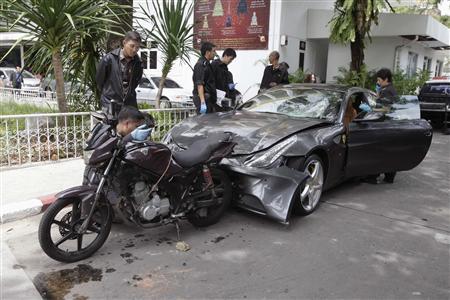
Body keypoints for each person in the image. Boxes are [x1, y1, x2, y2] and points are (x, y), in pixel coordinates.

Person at [363, 68, 398, 184]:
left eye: (379, 80)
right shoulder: (389, 89)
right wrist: (378, 93)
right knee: (388, 151)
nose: (377, 82)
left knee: (378, 151)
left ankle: (373, 176)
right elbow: (381, 101)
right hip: (390, 124)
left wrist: (371, 109)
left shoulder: (387, 91)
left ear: (386, 79)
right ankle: (389, 176)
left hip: (384, 124)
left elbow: (385, 108)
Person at [96, 31, 143, 115]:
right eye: (132, 46)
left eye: (137, 47)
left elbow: (135, 82)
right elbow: (100, 81)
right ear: (124, 43)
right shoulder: (109, 59)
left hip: (129, 105)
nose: (134, 50)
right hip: (110, 104)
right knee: (111, 127)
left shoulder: (138, 63)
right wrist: (110, 93)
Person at [192, 41, 217, 114]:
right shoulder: (200, 65)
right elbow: (199, 84)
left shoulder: (207, 64)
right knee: (203, 123)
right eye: (213, 51)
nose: (215, 53)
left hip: (208, 99)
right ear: (208, 52)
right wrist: (202, 102)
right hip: (203, 99)